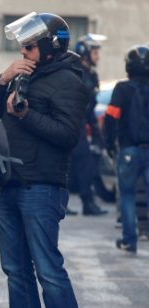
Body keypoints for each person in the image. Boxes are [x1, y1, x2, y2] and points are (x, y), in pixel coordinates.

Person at [0, 12, 86, 308]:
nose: (23, 52)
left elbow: (68, 136)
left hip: (42, 186)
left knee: (47, 269)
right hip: (11, 182)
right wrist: (2, 79)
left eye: (29, 46)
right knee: (15, 268)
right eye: (21, 46)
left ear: (48, 46)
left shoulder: (69, 81)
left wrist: (26, 116)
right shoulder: (26, 75)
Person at [104, 44, 149, 254]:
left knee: (128, 195)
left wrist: (109, 143)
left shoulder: (122, 89)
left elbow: (111, 118)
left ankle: (130, 241)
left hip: (129, 150)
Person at [69, 33, 108, 216]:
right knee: (79, 163)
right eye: (95, 52)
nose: (98, 56)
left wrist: (96, 132)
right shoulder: (78, 73)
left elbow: (91, 106)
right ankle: (82, 202)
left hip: (83, 123)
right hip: (74, 123)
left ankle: (87, 201)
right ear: (85, 53)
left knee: (86, 164)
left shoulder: (91, 75)